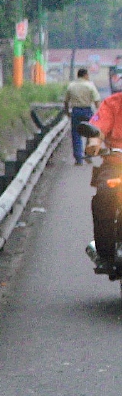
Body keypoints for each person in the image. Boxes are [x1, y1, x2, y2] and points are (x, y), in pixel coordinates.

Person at [86, 88, 122, 272]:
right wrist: (94, 143)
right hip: (115, 163)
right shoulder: (112, 103)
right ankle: (105, 253)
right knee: (104, 197)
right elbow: (98, 129)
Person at [65, 68, 101, 164]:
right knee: (91, 133)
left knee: (76, 134)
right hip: (87, 111)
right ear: (85, 75)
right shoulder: (90, 85)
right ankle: (88, 154)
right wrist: (99, 114)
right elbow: (97, 100)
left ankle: (79, 158)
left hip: (76, 111)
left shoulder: (71, 86)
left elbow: (66, 101)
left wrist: (67, 112)